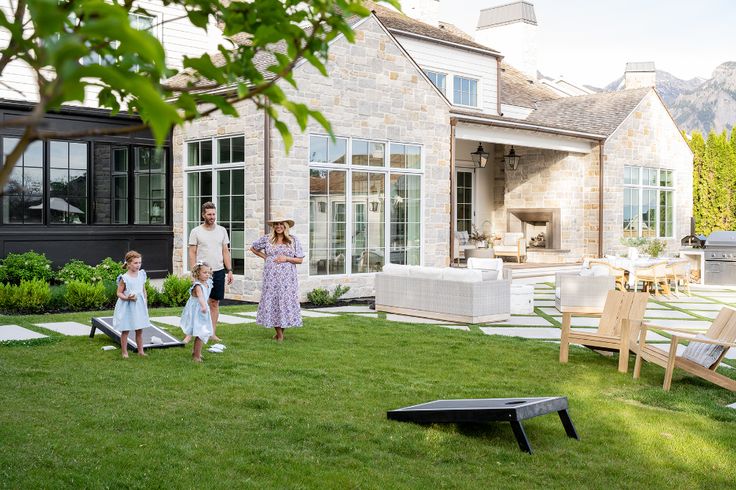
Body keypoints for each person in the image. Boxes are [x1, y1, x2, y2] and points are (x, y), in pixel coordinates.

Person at [249, 217, 304, 341]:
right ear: (273, 226)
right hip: (271, 278)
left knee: (284, 301)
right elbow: (253, 248)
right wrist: (266, 257)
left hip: (288, 278)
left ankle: (280, 332)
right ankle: (279, 334)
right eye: (276, 224)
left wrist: (286, 258)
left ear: (286, 226)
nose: (278, 226)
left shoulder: (293, 240)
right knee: (273, 301)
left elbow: (300, 259)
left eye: (281, 224)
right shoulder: (267, 239)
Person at [188, 201, 233, 342]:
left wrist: (230, 270)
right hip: (202, 273)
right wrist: (193, 272)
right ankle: (191, 333)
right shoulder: (196, 231)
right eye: (209, 214)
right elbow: (192, 252)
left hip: (218, 271)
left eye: (214, 214)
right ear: (203, 215)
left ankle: (212, 333)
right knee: (197, 303)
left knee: (214, 303)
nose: (212, 217)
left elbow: (225, 251)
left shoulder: (222, 231)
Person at [113, 250, 152, 358]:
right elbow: (119, 293)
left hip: (138, 305)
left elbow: (143, 290)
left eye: (139, 262)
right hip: (127, 306)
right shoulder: (124, 278)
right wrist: (127, 298)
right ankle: (124, 352)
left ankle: (141, 351)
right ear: (129, 264)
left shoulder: (141, 274)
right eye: (135, 263)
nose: (138, 265)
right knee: (125, 330)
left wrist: (145, 300)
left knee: (139, 329)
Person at [180, 262, 213, 362]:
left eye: (208, 272)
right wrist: (204, 306)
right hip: (198, 311)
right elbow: (200, 297)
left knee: (201, 332)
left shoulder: (208, 283)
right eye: (204, 272)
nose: (207, 274)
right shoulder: (198, 286)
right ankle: (196, 356)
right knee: (201, 333)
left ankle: (196, 352)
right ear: (197, 273)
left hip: (203, 309)